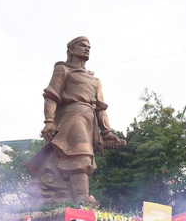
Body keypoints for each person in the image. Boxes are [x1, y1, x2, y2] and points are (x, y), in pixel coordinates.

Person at [25, 36, 126, 206]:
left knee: (84, 158)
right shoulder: (62, 69)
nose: (87, 49)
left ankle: (74, 197)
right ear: (71, 50)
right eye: (82, 46)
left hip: (90, 120)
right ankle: (82, 198)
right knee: (81, 156)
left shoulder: (95, 80)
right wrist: (49, 120)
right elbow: (51, 96)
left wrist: (107, 132)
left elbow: (101, 108)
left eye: (89, 47)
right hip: (72, 117)